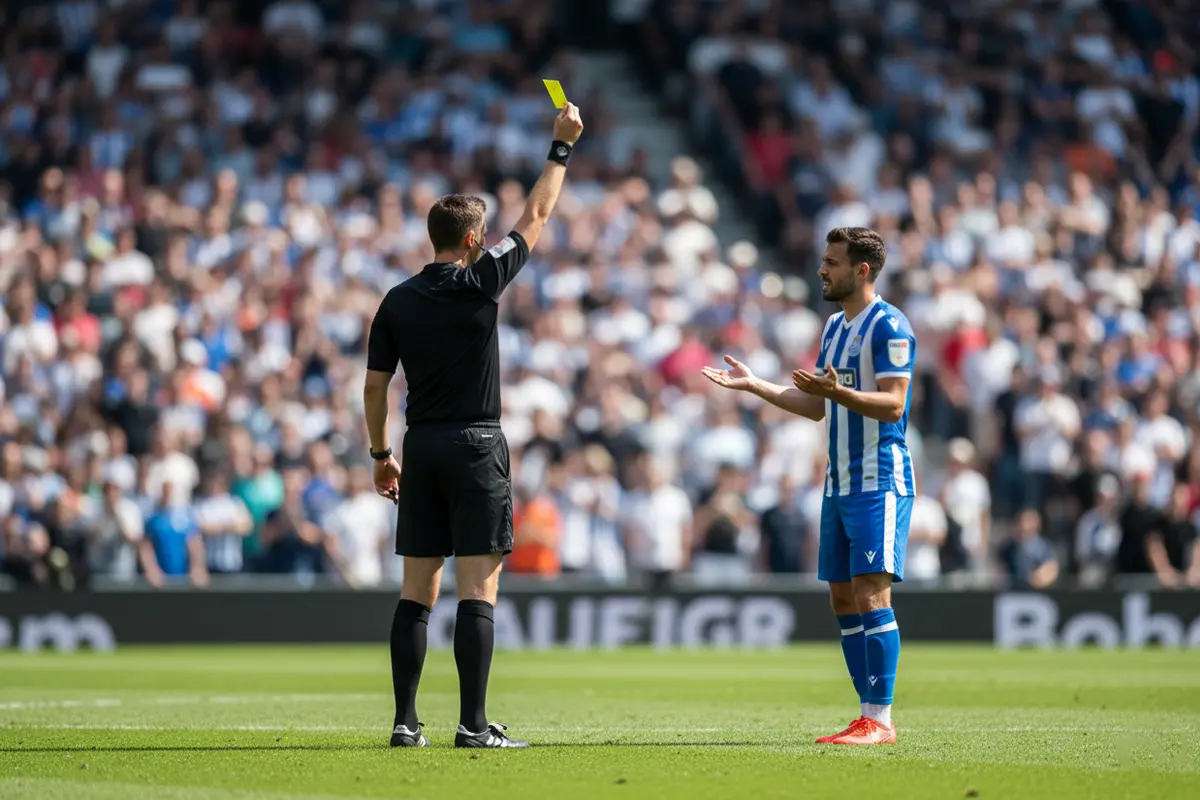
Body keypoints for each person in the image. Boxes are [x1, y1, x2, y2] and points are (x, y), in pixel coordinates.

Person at [363, 102, 584, 749]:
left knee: (415, 592)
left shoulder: (397, 300)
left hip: (419, 445)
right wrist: (561, 147)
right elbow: (537, 216)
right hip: (477, 444)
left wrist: (380, 454)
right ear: (470, 241)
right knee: (477, 591)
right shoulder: (482, 280)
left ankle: (405, 721)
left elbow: (375, 386)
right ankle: (472, 723)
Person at [702, 226, 915, 745]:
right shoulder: (835, 328)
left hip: (878, 479)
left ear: (862, 270)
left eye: (832, 262)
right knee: (842, 598)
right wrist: (755, 385)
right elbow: (817, 405)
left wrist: (840, 391)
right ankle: (866, 712)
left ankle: (880, 720)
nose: (822, 269)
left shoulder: (889, 325)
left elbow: (895, 404)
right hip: (838, 482)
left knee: (871, 594)